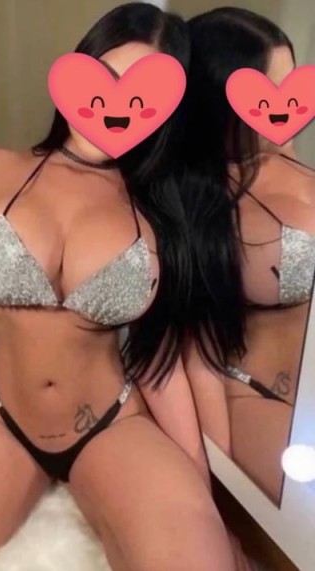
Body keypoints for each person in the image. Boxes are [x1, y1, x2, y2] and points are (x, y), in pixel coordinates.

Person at [0, 4, 237, 571]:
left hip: (111, 422)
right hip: (1, 416)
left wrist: (198, 482)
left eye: (142, 97)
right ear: (75, 72)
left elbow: (162, 359)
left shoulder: (158, 210)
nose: (117, 107)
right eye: (107, 79)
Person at [181, 7, 315, 504]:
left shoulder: (297, 171)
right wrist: (218, 474)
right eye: (267, 94)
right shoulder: (196, 204)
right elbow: (195, 355)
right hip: (258, 397)